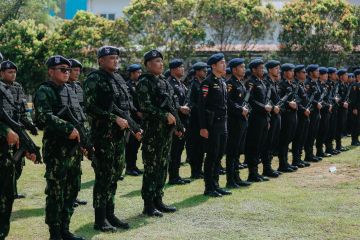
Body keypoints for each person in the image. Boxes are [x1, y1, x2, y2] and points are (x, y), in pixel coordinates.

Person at [84, 46, 141, 231]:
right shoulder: (94, 79)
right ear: (100, 60)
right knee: (103, 177)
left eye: (116, 58)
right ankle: (100, 219)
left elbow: (124, 107)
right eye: (110, 58)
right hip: (103, 136)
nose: (115, 61)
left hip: (118, 136)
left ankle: (110, 214)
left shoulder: (118, 78)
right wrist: (113, 118)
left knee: (115, 175)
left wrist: (134, 126)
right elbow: (90, 107)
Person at [34, 55, 86, 240]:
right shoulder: (44, 90)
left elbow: (80, 116)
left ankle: (65, 229)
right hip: (57, 150)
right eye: (62, 70)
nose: (66, 73)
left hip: (73, 150)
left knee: (72, 190)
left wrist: (85, 140)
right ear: (50, 71)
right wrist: (67, 128)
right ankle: (55, 233)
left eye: (68, 70)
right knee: (56, 192)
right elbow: (42, 116)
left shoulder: (71, 90)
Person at [136, 50, 183, 216]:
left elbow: (171, 104)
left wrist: (178, 124)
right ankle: (148, 205)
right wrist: (164, 115)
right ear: (148, 64)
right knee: (152, 168)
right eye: (156, 61)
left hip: (166, 132)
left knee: (163, 166)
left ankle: (158, 200)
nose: (161, 64)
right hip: (152, 132)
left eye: (161, 61)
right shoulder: (144, 82)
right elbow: (144, 106)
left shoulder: (163, 81)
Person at [1, 60, 38, 199]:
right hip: (5, 131)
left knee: (18, 163)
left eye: (14, 72)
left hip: (18, 129)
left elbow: (23, 111)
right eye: (10, 72)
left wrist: (30, 124)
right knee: (6, 163)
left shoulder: (18, 87)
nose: (13, 75)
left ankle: (13, 191)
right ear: (2, 73)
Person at [198, 53, 232, 197]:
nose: (224, 65)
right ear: (213, 66)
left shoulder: (222, 82)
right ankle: (209, 187)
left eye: (225, 62)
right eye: (222, 63)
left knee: (219, 155)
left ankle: (216, 184)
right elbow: (201, 106)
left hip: (222, 124)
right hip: (212, 125)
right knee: (212, 155)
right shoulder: (207, 82)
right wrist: (203, 127)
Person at [225, 57, 252, 188]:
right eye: (241, 67)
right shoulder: (230, 84)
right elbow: (228, 102)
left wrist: (246, 109)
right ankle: (230, 180)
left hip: (242, 121)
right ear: (234, 69)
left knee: (238, 151)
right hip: (234, 121)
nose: (244, 69)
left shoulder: (240, 83)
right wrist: (240, 109)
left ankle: (237, 177)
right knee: (232, 151)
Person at [245, 59, 272, 182]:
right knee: (254, 146)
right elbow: (249, 100)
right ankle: (252, 173)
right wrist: (263, 107)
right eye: (260, 68)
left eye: (263, 68)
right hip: (255, 119)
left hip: (264, 118)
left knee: (261, 145)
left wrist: (268, 117)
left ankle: (258, 172)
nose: (263, 70)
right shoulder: (251, 83)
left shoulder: (262, 82)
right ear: (254, 70)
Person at [68, 58, 88, 208]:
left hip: (79, 128)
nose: (77, 73)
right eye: (75, 70)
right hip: (68, 131)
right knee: (67, 166)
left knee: (76, 167)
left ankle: (74, 195)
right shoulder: (62, 88)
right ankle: (67, 197)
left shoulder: (78, 87)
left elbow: (82, 108)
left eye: (78, 70)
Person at [167, 59, 191, 185]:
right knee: (175, 151)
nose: (182, 69)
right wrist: (180, 108)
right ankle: (173, 177)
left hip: (184, 121)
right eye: (180, 67)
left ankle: (176, 175)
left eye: (183, 67)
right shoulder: (170, 84)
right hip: (176, 122)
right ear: (173, 70)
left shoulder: (181, 84)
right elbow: (169, 104)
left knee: (179, 150)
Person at [261, 60, 282, 177]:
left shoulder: (274, 83)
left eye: (279, 69)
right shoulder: (266, 83)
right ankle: (266, 168)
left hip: (276, 116)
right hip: (270, 117)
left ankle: (269, 166)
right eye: (276, 68)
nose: (278, 71)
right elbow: (266, 102)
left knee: (273, 142)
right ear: (270, 70)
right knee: (267, 143)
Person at [187, 62, 207, 179]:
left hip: (201, 120)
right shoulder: (193, 84)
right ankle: (194, 171)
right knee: (195, 147)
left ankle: (199, 170)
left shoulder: (203, 84)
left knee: (201, 147)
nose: (205, 72)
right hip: (194, 120)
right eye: (203, 70)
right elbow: (189, 101)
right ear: (197, 72)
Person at [278, 63, 299, 172]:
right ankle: (282, 164)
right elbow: (279, 99)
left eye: (293, 70)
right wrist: (288, 103)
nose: (292, 73)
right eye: (290, 71)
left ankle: (286, 162)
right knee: (284, 140)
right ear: (285, 72)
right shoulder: (281, 85)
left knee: (289, 139)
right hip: (286, 115)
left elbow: (298, 98)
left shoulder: (293, 84)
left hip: (293, 114)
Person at [125, 63, 143, 176]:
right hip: (132, 118)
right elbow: (128, 102)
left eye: (141, 72)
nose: (140, 74)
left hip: (141, 119)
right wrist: (137, 111)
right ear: (132, 73)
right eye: (138, 72)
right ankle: (129, 167)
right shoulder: (127, 86)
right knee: (131, 144)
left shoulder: (140, 85)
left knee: (137, 144)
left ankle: (134, 165)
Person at [292, 65, 311, 167]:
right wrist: (304, 109)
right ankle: (295, 159)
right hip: (299, 114)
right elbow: (296, 101)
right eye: (303, 72)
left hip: (305, 114)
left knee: (303, 137)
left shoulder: (301, 84)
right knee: (298, 138)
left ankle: (299, 158)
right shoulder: (295, 85)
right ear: (297, 74)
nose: (305, 74)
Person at [304, 64, 323, 163]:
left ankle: (311, 154)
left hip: (317, 111)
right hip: (311, 111)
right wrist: (316, 103)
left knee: (314, 133)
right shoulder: (308, 83)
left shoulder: (316, 83)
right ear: (311, 73)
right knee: (310, 133)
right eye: (316, 71)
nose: (318, 72)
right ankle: (308, 155)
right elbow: (308, 97)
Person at [349, 69, 360, 146]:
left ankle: (357, 139)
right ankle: (354, 140)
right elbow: (353, 98)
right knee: (355, 124)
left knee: (358, 124)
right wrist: (354, 108)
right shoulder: (354, 85)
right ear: (357, 76)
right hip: (356, 108)